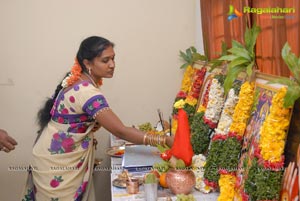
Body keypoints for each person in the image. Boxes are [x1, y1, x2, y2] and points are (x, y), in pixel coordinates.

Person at [22, 36, 173, 201]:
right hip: (59, 166)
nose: (112, 64)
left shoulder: (79, 80)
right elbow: (120, 130)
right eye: (105, 60)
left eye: (113, 58)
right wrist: (164, 140)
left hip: (53, 154)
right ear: (87, 63)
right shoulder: (87, 92)